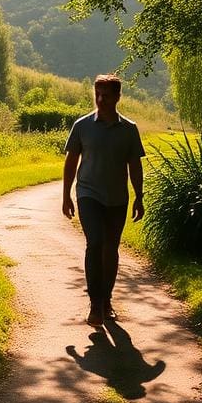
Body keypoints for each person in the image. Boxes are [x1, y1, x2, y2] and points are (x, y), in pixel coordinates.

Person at [62, 73, 145, 327]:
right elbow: (71, 162)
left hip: (117, 198)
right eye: (97, 94)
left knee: (111, 249)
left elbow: (135, 166)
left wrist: (139, 197)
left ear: (118, 97)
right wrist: (66, 195)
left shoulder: (129, 130)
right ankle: (95, 304)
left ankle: (107, 299)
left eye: (106, 95)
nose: (101, 99)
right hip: (88, 194)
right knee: (95, 243)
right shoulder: (82, 126)